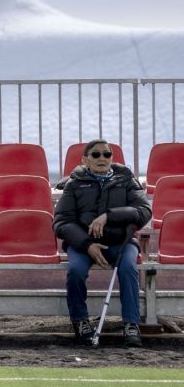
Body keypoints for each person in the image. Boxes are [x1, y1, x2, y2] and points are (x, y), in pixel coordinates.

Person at [54, 138, 151, 347]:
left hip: (121, 242)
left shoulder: (126, 179)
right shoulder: (74, 184)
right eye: (96, 154)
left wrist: (109, 215)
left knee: (128, 268)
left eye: (107, 154)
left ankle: (131, 324)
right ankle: (80, 321)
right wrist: (87, 244)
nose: (102, 158)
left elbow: (144, 211)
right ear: (85, 160)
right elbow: (61, 222)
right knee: (76, 271)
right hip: (83, 244)